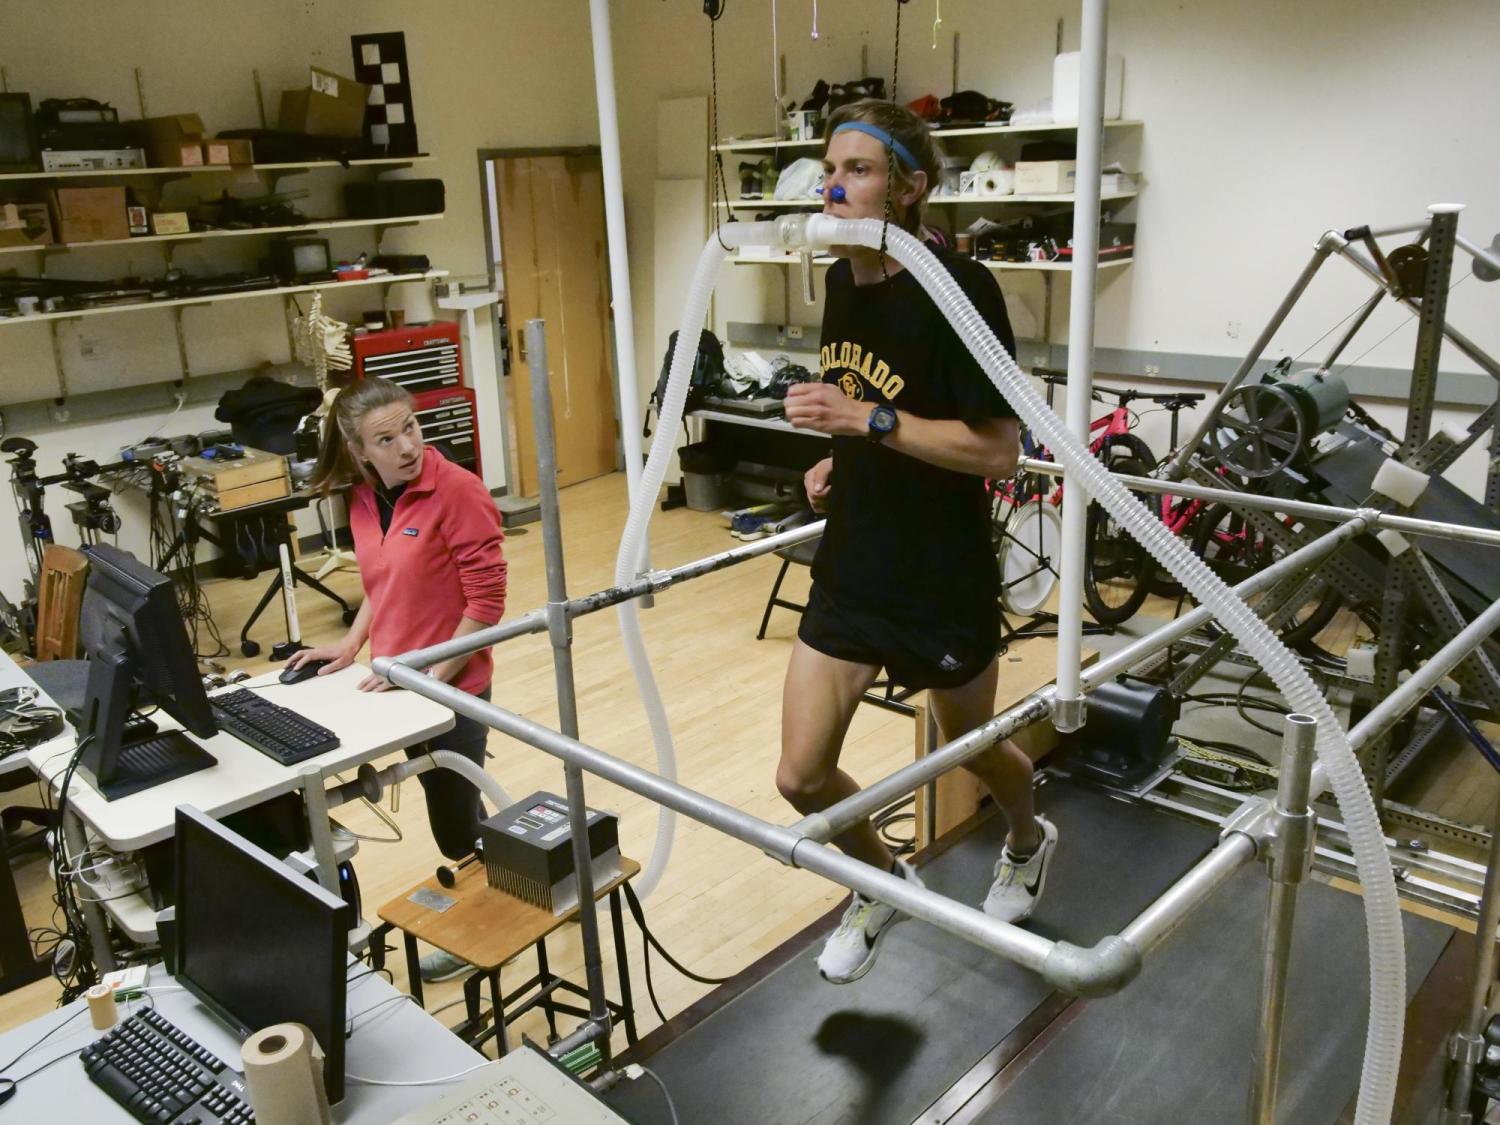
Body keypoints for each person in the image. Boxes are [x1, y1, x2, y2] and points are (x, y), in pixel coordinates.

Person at [777, 99, 1057, 985]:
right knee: (801, 775)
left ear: (910, 188)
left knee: (969, 746)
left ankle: (1027, 836)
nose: (834, 183)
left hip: (940, 565)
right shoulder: (837, 283)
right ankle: (882, 881)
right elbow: (856, 403)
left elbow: (998, 448)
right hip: (858, 556)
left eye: (858, 168)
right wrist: (837, 451)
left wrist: (867, 419)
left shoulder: (959, 289)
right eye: (831, 165)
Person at [289, 376, 508, 981]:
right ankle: (533, 877)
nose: (407, 446)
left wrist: (432, 678)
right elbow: (382, 582)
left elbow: (486, 603)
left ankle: (494, 924)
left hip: (451, 689)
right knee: (459, 808)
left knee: (455, 825)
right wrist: (351, 643)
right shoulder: (364, 497)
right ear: (361, 451)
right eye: (387, 438)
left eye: (409, 427)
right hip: (401, 682)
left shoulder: (456, 490)